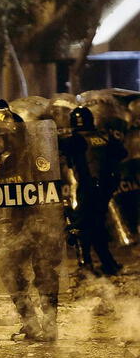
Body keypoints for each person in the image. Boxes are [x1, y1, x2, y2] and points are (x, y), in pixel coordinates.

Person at [0, 98, 63, 341]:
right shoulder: (1, 161)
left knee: (45, 272)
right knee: (8, 267)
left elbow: (47, 192)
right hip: (18, 226)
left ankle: (49, 326)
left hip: (42, 223)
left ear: (13, 135)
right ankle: (31, 323)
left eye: (0, 136)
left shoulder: (35, 156)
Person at [60, 106, 127, 275]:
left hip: (88, 186)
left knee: (81, 223)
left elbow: (57, 147)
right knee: (96, 224)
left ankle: (85, 263)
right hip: (105, 187)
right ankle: (107, 263)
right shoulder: (104, 136)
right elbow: (121, 153)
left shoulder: (76, 139)